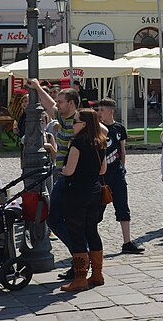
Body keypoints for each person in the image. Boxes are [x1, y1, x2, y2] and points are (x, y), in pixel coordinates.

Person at [30, 80, 81, 280]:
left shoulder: (80, 119)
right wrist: (37, 87)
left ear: (72, 103)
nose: (58, 104)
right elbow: (49, 104)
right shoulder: (62, 116)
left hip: (74, 178)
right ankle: (79, 255)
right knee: (54, 219)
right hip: (61, 176)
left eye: (62, 101)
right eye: (58, 101)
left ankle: (80, 258)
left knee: (71, 220)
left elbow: (102, 132)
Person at [60, 109, 107, 292]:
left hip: (76, 193)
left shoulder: (77, 143)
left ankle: (80, 278)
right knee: (92, 230)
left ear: (84, 124)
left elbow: (69, 170)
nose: (73, 125)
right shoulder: (100, 142)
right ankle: (97, 273)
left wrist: (61, 170)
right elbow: (103, 170)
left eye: (75, 122)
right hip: (94, 192)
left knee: (77, 233)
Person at [96, 98, 143, 254]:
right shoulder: (96, 128)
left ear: (111, 111)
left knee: (122, 207)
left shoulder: (119, 128)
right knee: (96, 211)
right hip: (101, 177)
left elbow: (122, 150)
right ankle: (92, 242)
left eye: (102, 110)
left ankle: (127, 241)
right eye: (99, 109)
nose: (99, 112)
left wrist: (123, 166)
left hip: (117, 174)